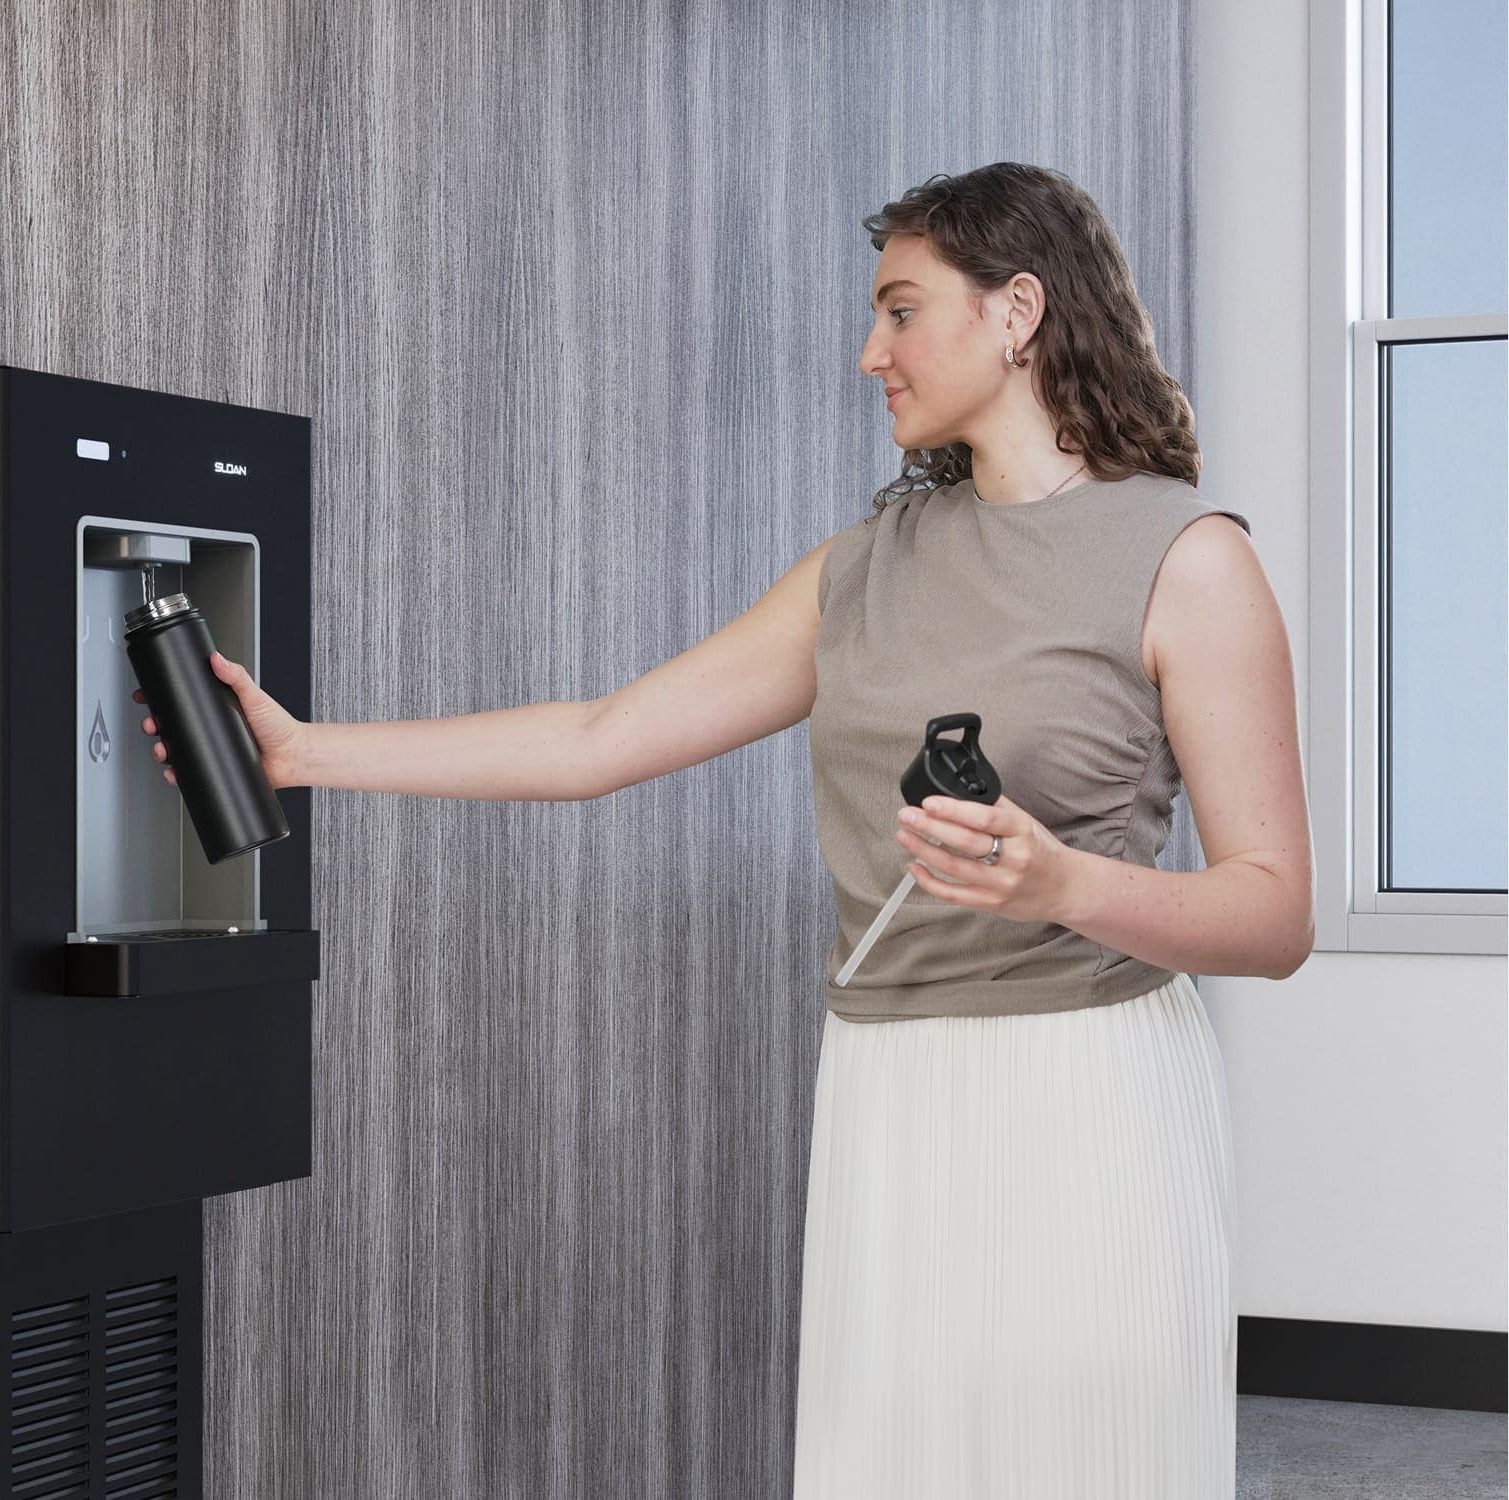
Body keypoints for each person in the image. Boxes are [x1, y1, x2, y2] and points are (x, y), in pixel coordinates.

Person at [136, 161, 1314, 1497]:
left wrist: (1061, 881)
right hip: (887, 1082)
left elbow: (1270, 912)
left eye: (900, 309)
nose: (869, 351)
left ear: (1016, 312)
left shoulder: (1186, 557)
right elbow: (598, 741)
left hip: (1085, 1094)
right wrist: (301, 755)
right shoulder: (861, 568)